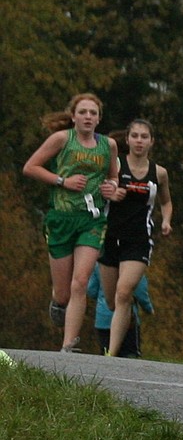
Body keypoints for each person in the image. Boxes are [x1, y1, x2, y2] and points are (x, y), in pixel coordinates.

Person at [22, 93, 119, 352]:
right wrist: (62, 181)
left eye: (93, 113)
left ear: (99, 118)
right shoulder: (62, 140)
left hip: (92, 220)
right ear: (73, 116)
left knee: (81, 282)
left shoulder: (108, 145)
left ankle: (68, 346)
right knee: (64, 292)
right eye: (83, 112)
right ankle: (57, 301)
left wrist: (112, 188)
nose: (88, 117)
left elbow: (113, 177)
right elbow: (30, 167)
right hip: (61, 219)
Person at [99, 119, 171, 357]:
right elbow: (98, 190)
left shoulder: (159, 173)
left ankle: (112, 354)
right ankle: (126, 324)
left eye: (144, 137)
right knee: (112, 301)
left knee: (123, 292)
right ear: (127, 140)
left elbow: (166, 201)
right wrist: (111, 193)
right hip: (110, 237)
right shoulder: (115, 166)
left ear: (151, 142)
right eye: (135, 136)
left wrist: (166, 220)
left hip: (138, 240)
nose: (139, 141)